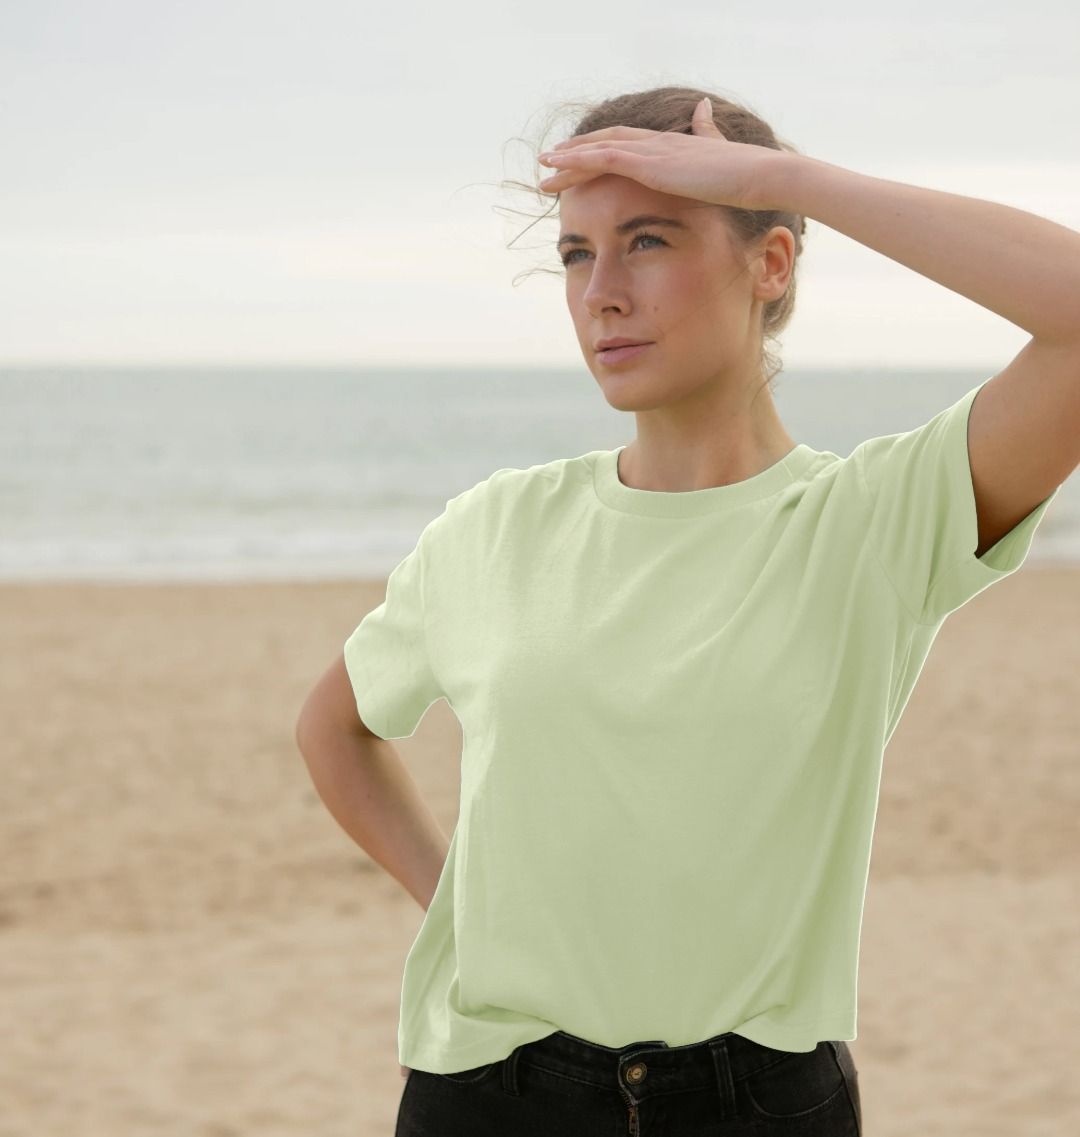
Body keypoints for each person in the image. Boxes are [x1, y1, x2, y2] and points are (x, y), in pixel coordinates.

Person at [295, 84, 1077, 1135]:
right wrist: (455, 904)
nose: (600, 294)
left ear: (772, 264)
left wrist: (782, 182)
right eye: (577, 254)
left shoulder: (872, 523)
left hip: (758, 1106)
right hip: (490, 1095)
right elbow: (336, 727)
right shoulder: (495, 528)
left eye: (648, 240)